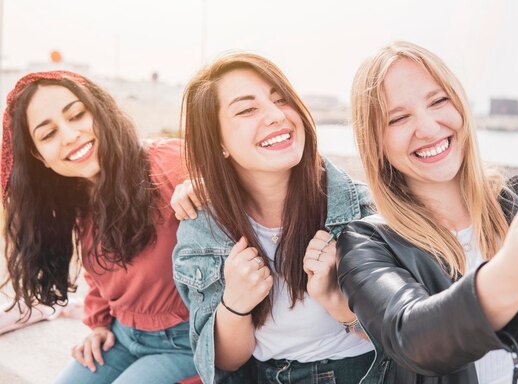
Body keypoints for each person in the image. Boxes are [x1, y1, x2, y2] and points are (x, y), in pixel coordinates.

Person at [337, 41, 518, 384]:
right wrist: (511, 274)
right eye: (398, 118)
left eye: (438, 101)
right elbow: (413, 340)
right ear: (375, 143)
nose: (428, 128)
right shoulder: (367, 244)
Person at [171, 52, 384, 383]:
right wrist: (236, 303)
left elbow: (409, 342)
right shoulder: (204, 227)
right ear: (218, 143)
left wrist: (340, 304)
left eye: (281, 100)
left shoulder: (365, 212)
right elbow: (224, 362)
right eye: (247, 109)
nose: (276, 116)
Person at [1, 71, 198, 383]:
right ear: (40, 157)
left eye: (77, 115)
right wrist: (99, 325)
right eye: (48, 134)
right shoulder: (76, 200)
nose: (69, 135)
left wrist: (203, 189)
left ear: (99, 110)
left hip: (186, 342)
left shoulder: (169, 161)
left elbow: (243, 193)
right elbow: (99, 276)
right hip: (121, 337)